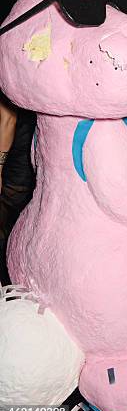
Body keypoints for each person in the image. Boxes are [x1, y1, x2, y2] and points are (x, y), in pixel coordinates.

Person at [0, 95, 36, 285]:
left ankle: (10, 287)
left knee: (10, 222)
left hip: (16, 151)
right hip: (23, 144)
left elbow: (8, 119)